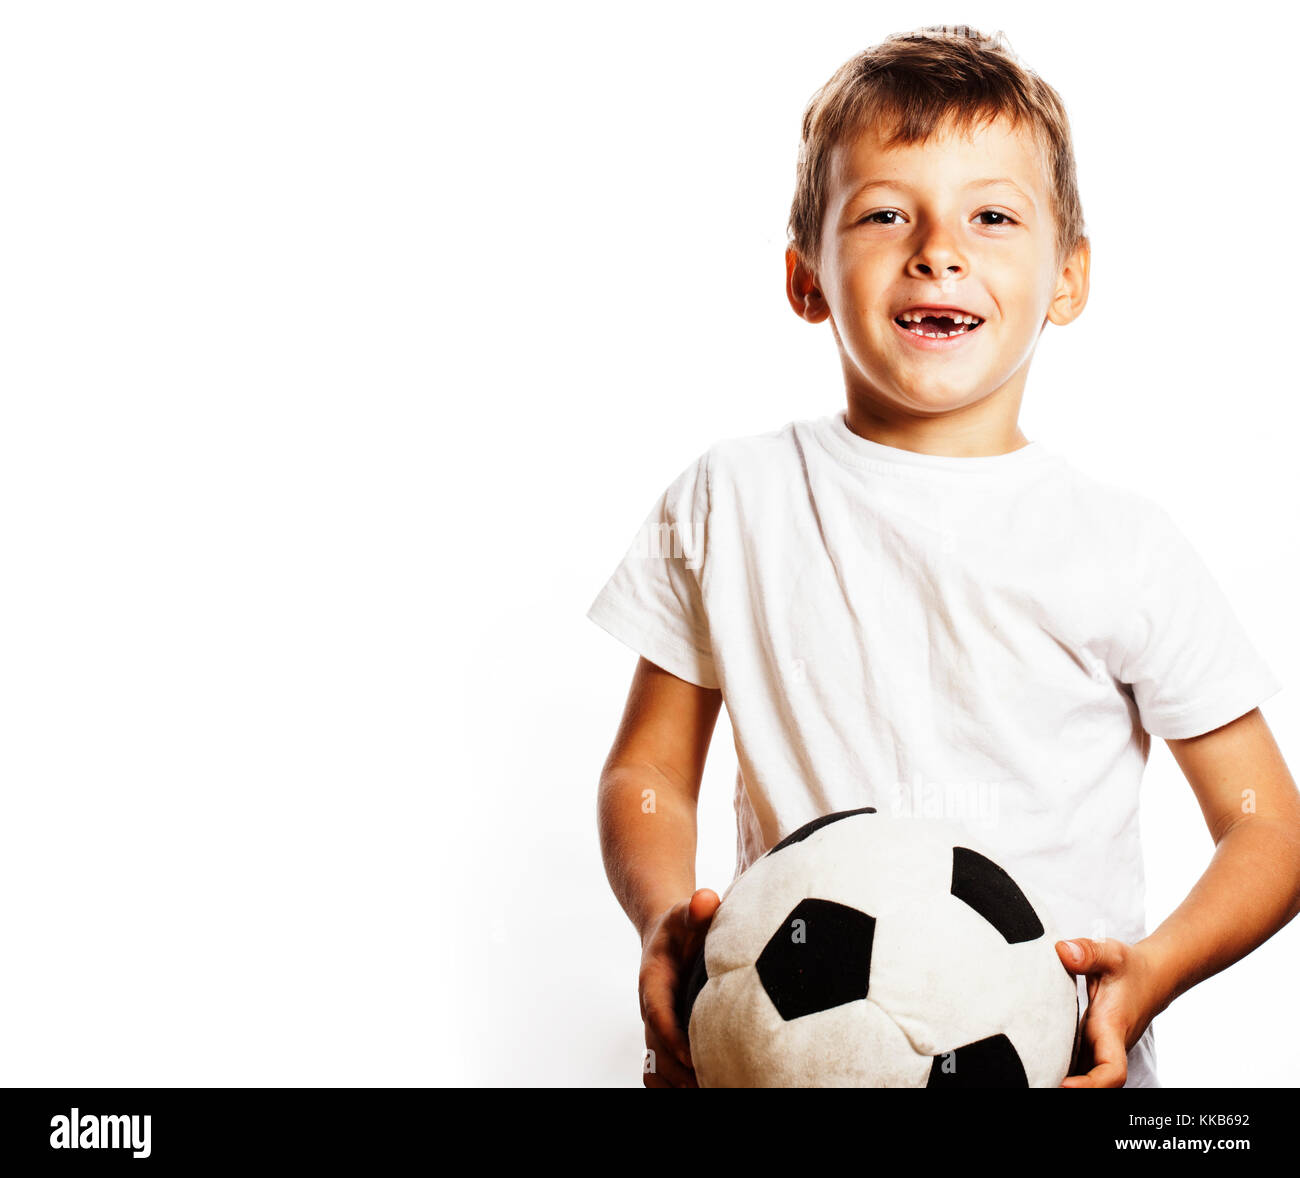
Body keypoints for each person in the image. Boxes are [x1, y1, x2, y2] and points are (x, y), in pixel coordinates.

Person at [586, 25, 1300, 1088]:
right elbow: (646, 770)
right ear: (805, 276)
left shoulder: (1122, 544)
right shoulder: (730, 499)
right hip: (789, 1056)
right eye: (883, 213)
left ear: (1067, 277)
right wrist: (663, 918)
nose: (937, 248)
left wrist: (1147, 972)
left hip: (1057, 1069)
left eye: (992, 216)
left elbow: (1266, 828)